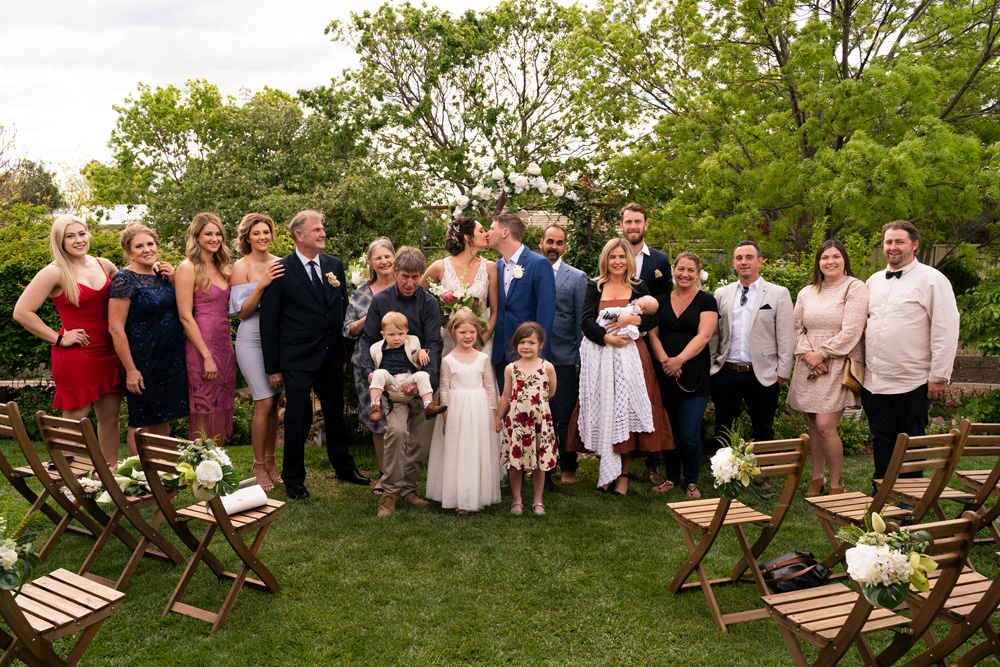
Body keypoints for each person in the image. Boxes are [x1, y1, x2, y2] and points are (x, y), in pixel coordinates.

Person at [260, 210, 368, 500]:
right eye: (317, 229)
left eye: (322, 229)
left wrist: (342, 352)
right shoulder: (280, 270)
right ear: (299, 235)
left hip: (331, 355)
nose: (323, 233)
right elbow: (269, 323)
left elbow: (342, 310)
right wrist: (273, 367)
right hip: (296, 358)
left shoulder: (334, 265)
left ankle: (344, 467)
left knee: (335, 414)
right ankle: (294, 479)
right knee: (297, 419)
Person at [13, 215, 124, 464]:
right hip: (77, 354)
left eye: (82, 233)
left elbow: (131, 294)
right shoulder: (53, 272)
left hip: (110, 351)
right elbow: (21, 312)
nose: (78, 240)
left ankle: (110, 473)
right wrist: (59, 338)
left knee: (111, 417)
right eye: (70, 236)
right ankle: (69, 477)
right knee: (75, 421)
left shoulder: (104, 265)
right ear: (60, 241)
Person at [567, 238, 673, 496]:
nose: (617, 262)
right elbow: (586, 321)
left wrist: (632, 319)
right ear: (606, 260)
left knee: (625, 415)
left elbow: (654, 318)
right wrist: (608, 338)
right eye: (612, 257)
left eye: (622, 257)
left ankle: (623, 476)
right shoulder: (595, 286)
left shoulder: (638, 287)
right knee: (606, 412)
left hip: (631, 359)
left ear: (629, 260)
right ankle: (606, 473)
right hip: (601, 359)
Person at [863, 220, 959, 486]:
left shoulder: (933, 279)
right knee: (882, 440)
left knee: (912, 442)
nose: (893, 247)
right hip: (874, 382)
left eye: (899, 241)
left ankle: (909, 497)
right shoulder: (873, 281)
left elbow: (946, 329)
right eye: (888, 242)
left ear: (914, 245)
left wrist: (939, 376)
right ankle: (881, 493)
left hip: (913, 381)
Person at [357, 246, 443, 517]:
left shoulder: (429, 303)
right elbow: (367, 340)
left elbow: (434, 344)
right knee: (395, 434)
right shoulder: (381, 301)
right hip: (391, 383)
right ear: (395, 272)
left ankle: (409, 488)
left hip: (421, 381)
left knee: (421, 442)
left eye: (416, 277)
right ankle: (389, 494)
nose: (410, 283)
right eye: (405, 276)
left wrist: (425, 381)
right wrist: (370, 372)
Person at [786, 240, 868, 496]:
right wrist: (808, 355)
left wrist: (822, 354)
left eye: (836, 256)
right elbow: (796, 328)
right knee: (813, 423)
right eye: (825, 257)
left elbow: (853, 330)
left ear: (844, 260)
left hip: (836, 365)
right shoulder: (807, 292)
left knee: (825, 426)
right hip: (809, 365)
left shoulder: (854, 287)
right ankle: (817, 477)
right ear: (818, 262)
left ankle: (837, 483)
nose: (830, 261)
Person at [108, 223, 188, 455]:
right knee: (141, 421)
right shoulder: (124, 280)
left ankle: (159, 470)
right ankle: (141, 471)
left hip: (170, 359)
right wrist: (131, 370)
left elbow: (182, 308)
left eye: (150, 243)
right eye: (139, 246)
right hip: (142, 360)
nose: (147, 249)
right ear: (128, 252)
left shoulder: (162, 275)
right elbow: (115, 328)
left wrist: (174, 280)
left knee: (163, 417)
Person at [709, 240, 795, 445]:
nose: (744, 262)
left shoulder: (778, 293)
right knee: (724, 429)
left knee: (763, 429)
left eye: (749, 257)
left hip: (763, 375)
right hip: (726, 373)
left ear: (760, 261)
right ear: (733, 263)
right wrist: (712, 368)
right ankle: (724, 466)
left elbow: (786, 337)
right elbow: (714, 334)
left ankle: (763, 467)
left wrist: (781, 375)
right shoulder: (722, 293)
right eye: (739, 258)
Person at [647, 252, 718, 499]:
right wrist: (666, 362)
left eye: (690, 270)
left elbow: (704, 336)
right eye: (680, 269)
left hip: (694, 376)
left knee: (689, 433)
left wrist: (679, 360)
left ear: (698, 274)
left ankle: (691, 481)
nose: (685, 274)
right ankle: (672, 478)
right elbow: (653, 335)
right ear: (673, 271)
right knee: (669, 431)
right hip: (664, 373)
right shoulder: (660, 301)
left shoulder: (706, 301)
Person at [425, 308, 502, 513]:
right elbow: (444, 391)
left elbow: (490, 387)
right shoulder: (448, 360)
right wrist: (446, 419)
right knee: (459, 452)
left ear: (478, 331)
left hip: (479, 409)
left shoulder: (482, 358)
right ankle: (459, 498)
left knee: (476, 451)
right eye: (463, 332)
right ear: (453, 333)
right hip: (457, 411)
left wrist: (494, 415)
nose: (468, 336)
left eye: (472, 332)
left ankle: (476, 496)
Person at [229, 213, 285, 491]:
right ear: (247, 237)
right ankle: (258, 465)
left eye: (266, 231)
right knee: (263, 402)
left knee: (275, 401)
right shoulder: (241, 267)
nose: (262, 237)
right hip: (251, 339)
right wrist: (262, 284)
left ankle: (272, 461)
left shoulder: (282, 263)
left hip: (277, 339)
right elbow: (242, 312)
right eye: (256, 233)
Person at [618, 202, 673, 485]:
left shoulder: (659, 260)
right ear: (621, 225)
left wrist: (650, 331)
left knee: (650, 398)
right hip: (616, 341)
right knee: (620, 399)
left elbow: (664, 302)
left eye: (637, 221)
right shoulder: (613, 255)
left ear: (645, 225)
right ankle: (617, 461)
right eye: (628, 221)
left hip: (648, 339)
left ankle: (653, 462)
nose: (633, 226)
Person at [176, 213, 237, 447]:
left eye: (218, 233)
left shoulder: (220, 268)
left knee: (220, 407)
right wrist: (206, 356)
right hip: (201, 347)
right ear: (197, 237)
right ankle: (199, 464)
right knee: (203, 409)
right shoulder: (187, 267)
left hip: (224, 347)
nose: (214, 238)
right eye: (208, 234)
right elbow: (185, 316)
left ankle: (216, 464)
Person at [344, 237, 396, 494]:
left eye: (387, 256)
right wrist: (370, 316)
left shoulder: (405, 285)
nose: (384, 261)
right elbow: (348, 329)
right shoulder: (363, 292)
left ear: (394, 258)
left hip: (401, 363)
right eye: (378, 258)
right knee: (378, 420)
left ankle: (403, 475)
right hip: (369, 365)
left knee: (402, 420)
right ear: (371, 263)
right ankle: (384, 475)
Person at [539, 224, 586, 489]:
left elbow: (581, 320)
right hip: (534, 356)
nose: (554, 247)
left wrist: (579, 359)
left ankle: (568, 464)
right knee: (539, 414)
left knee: (564, 415)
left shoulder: (577, 277)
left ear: (564, 246)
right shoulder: (531, 271)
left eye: (559, 243)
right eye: (550, 241)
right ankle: (545, 464)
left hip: (565, 356)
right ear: (541, 243)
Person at [485, 213, 555, 392]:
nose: (487, 233)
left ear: (505, 232)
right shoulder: (496, 267)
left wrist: (538, 355)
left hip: (529, 353)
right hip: (501, 354)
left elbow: (546, 313)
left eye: (491, 228)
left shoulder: (539, 263)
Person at [498, 322, 557, 516]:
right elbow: (506, 396)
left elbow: (551, 392)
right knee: (516, 462)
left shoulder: (547, 367)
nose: (526, 346)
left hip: (539, 422)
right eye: (522, 342)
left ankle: (538, 500)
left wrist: (536, 406)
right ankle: (517, 500)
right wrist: (498, 418)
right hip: (517, 422)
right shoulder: (511, 369)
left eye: (531, 342)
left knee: (540, 462)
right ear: (516, 344)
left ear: (540, 344)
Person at [420, 216, 498, 357]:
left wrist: (481, 342)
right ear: (468, 237)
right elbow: (415, 296)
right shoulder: (440, 267)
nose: (486, 234)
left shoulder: (490, 267)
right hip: (452, 342)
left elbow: (495, 311)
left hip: (482, 342)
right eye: (481, 231)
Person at [367, 311, 447, 420]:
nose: (396, 338)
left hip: (407, 383)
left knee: (423, 375)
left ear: (406, 332)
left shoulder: (413, 341)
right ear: (383, 334)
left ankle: (428, 405)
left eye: (401, 334)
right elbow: (373, 368)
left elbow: (417, 354)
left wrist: (422, 351)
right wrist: (378, 380)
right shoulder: (375, 349)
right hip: (390, 385)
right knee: (378, 372)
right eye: (391, 334)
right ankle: (375, 407)